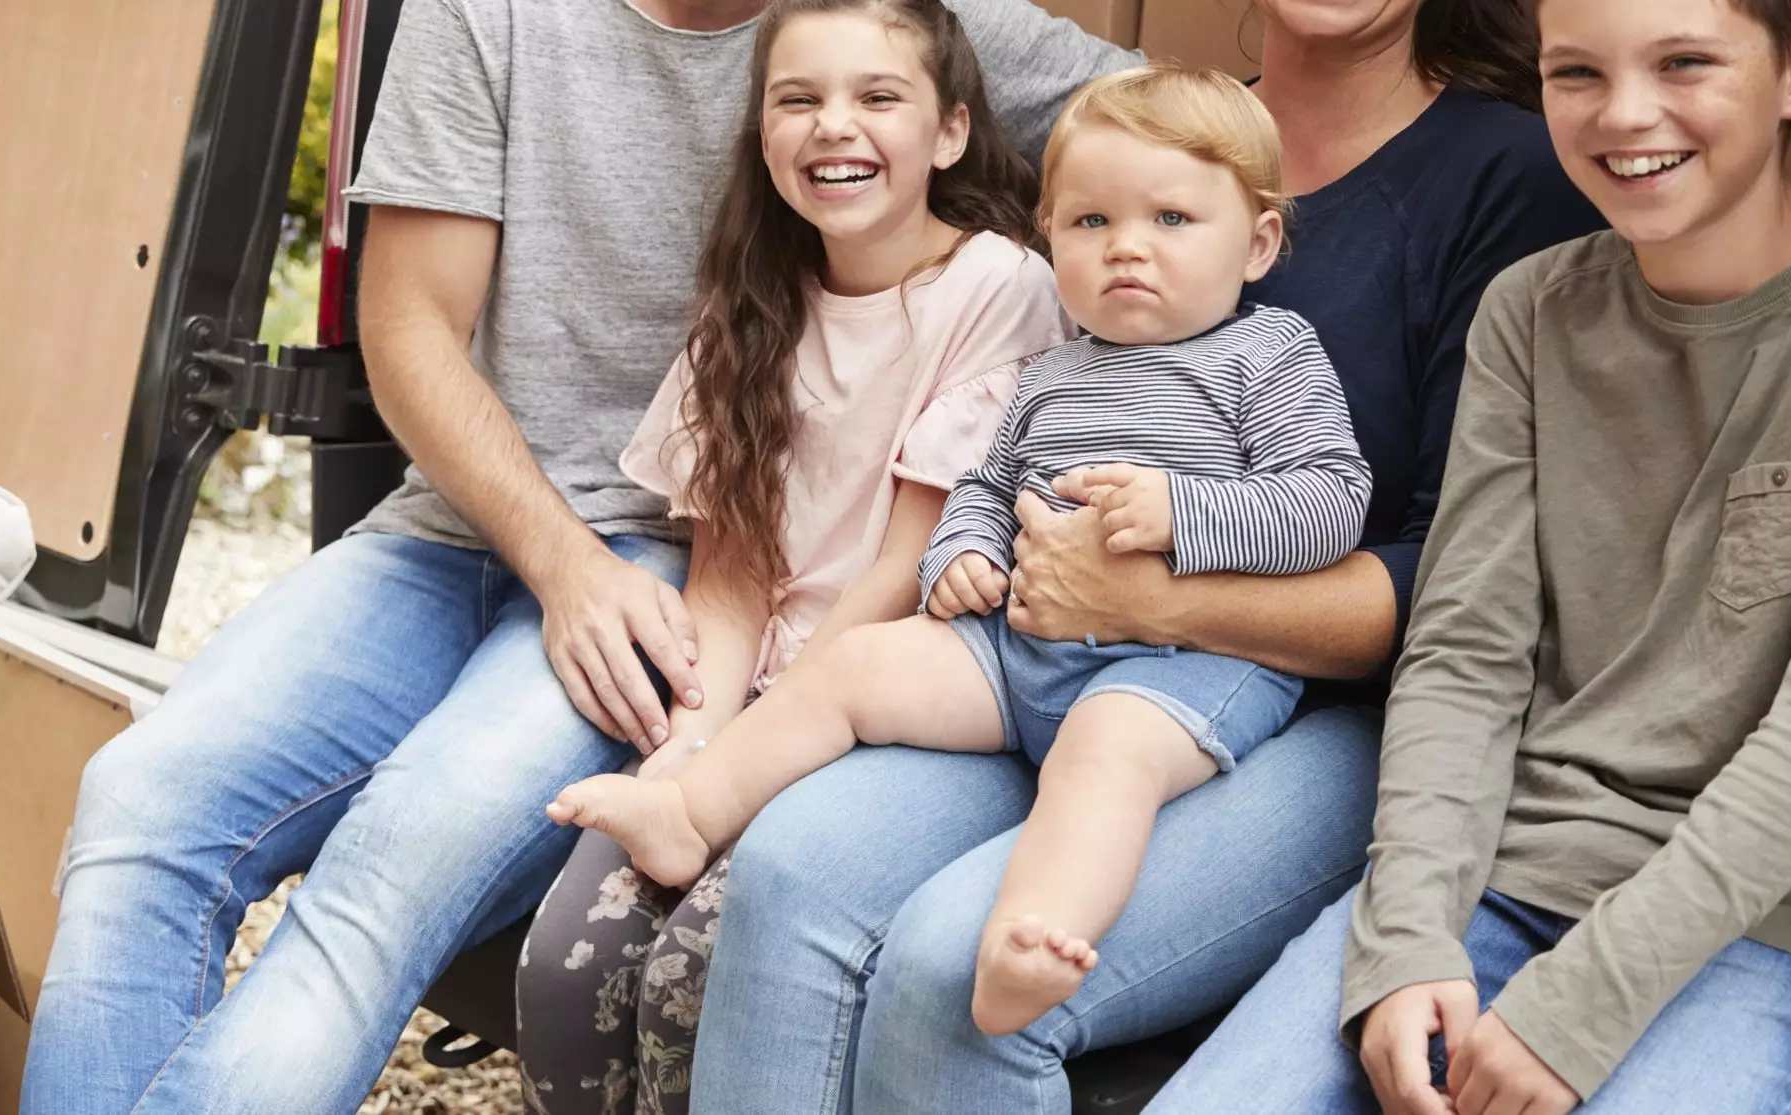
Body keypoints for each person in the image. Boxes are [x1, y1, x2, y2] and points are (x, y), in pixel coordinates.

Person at [18, 0, 1132, 1115]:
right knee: (139, 800)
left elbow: (1162, 121)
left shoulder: (897, 21)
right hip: (470, 536)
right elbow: (408, 329)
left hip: (690, 560)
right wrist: (558, 561)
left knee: (387, 870)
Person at [688, 0, 1606, 1115]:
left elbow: (1464, 575)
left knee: (953, 964)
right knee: (793, 870)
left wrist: (1157, 601)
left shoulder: (1507, 185)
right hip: (1046, 658)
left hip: (1313, 708)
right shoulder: (1131, 134)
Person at [1147, 0, 1791, 1115]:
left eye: (1685, 63)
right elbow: (1467, 651)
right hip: (1505, 878)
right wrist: (1410, 937)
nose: (1625, 115)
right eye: (1576, 73)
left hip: (1775, 929)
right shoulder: (1532, 310)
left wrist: (1579, 1009)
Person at [551, 66, 1373, 1038]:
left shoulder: (1266, 356)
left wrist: (1184, 512)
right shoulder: (1051, 371)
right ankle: (691, 813)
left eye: (1172, 222)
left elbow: (1330, 502)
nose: (1128, 251)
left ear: (1260, 242)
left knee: (1104, 759)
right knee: (858, 664)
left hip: (1181, 674)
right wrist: (963, 557)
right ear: (1050, 236)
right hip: (1015, 651)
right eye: (1091, 224)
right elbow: (988, 486)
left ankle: (1033, 939)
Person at [512, 0, 1070, 1114]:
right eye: (797, 98)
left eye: (878, 97)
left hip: (890, 707)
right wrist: (695, 735)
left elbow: (906, 573)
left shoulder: (996, 287)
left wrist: (742, 764)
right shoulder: (753, 300)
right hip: (762, 703)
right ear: (762, 131)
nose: (834, 127)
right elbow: (730, 576)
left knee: (687, 978)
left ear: (952, 131)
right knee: (568, 964)